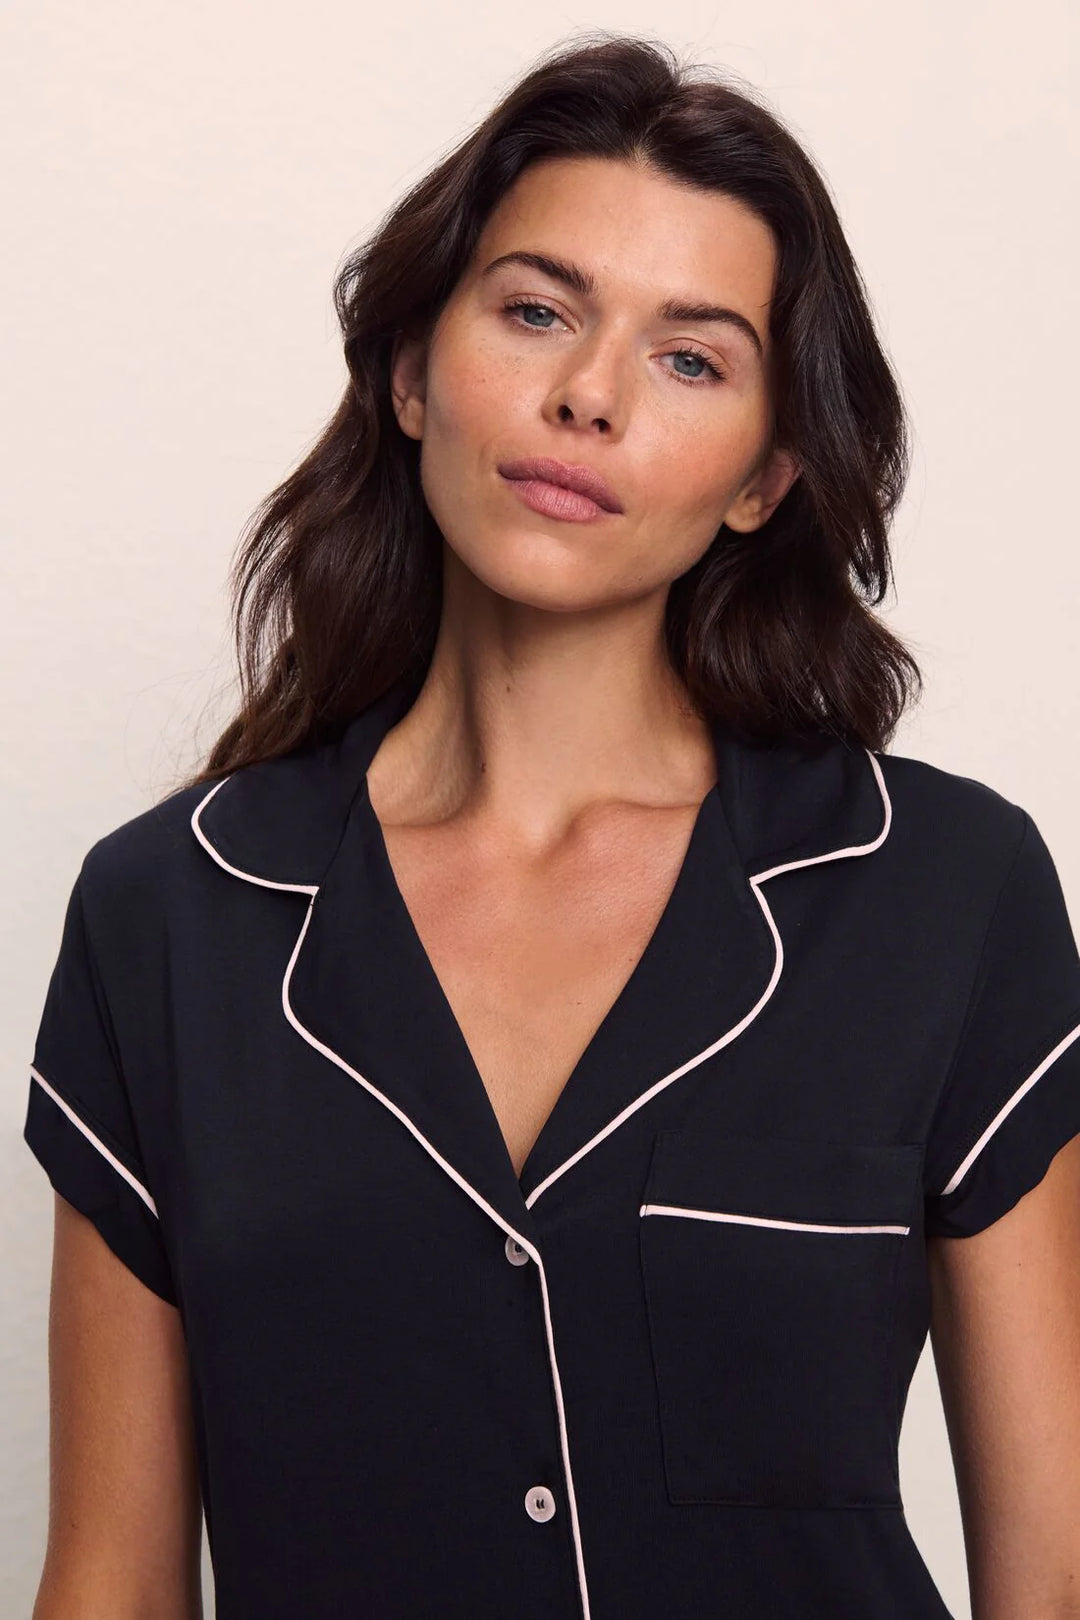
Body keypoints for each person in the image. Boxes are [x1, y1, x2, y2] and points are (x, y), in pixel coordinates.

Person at [23, 31, 1080, 1620]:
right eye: (536, 312)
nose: (588, 395)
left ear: (763, 478)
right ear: (407, 369)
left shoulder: (944, 894)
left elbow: (1054, 1571)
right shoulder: (167, 914)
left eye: (690, 359)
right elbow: (108, 1582)